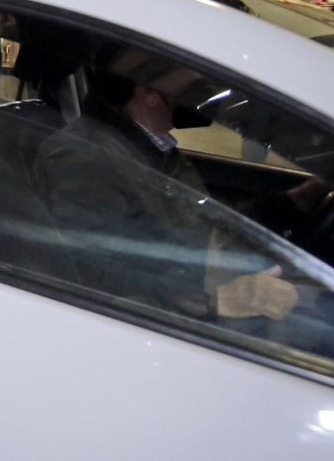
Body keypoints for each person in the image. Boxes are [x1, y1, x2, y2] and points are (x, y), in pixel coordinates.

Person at [34, 58, 300, 324]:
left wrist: (297, 201)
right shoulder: (87, 158)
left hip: (187, 290)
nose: (202, 89)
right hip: (155, 320)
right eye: (191, 79)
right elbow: (91, 272)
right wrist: (215, 301)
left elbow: (208, 223)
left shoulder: (152, 149)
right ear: (147, 93)